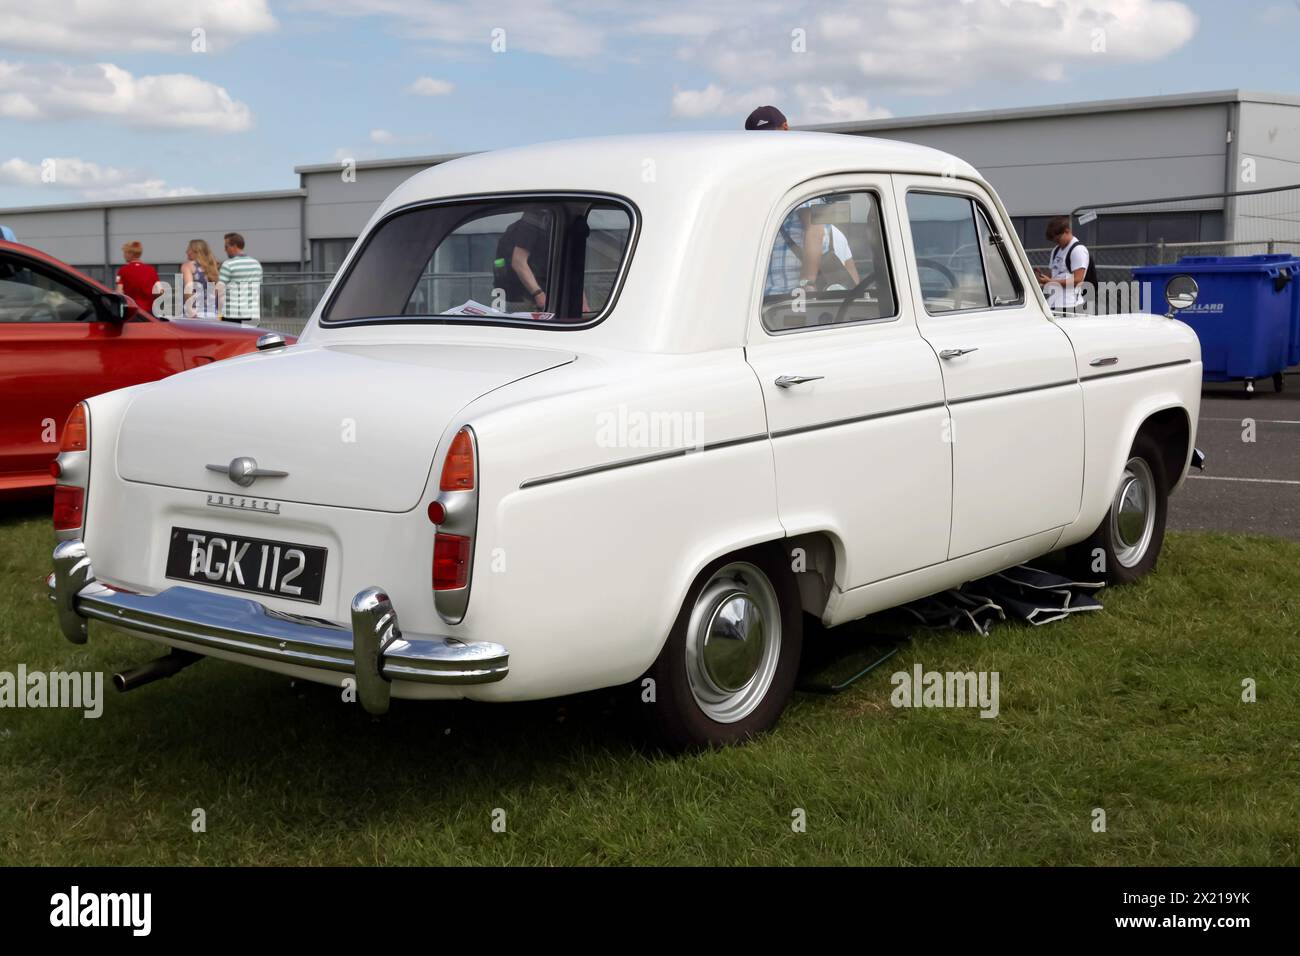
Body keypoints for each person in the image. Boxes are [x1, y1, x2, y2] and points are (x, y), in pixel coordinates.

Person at [746, 106, 825, 296]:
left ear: (785, 128)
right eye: (757, 140)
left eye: (769, 136)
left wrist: (807, 283)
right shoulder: (758, 177)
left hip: (791, 295)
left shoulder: (797, 171)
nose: (764, 144)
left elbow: (815, 229)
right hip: (764, 297)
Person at [1036, 216, 1095, 313]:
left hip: (1070, 305)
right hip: (1054, 303)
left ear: (1067, 231)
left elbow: (1077, 280)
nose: (1057, 243)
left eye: (1058, 239)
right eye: (1054, 241)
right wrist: (1042, 278)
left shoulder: (1078, 250)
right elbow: (1054, 274)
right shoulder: (1056, 250)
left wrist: (1050, 282)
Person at [218, 232, 263, 323]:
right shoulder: (256, 264)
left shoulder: (228, 264)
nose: (224, 250)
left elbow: (220, 289)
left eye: (226, 247)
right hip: (253, 314)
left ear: (234, 246)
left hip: (232, 314)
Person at [115, 241, 161, 313]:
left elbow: (119, 293)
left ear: (130, 254)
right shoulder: (151, 270)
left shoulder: (123, 270)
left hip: (131, 311)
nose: (124, 256)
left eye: (125, 253)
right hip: (148, 312)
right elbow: (159, 291)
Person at [181, 239, 219, 319]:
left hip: (195, 311)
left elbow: (189, 290)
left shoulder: (188, 266)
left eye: (188, 249)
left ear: (195, 251)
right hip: (212, 311)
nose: (186, 252)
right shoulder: (212, 266)